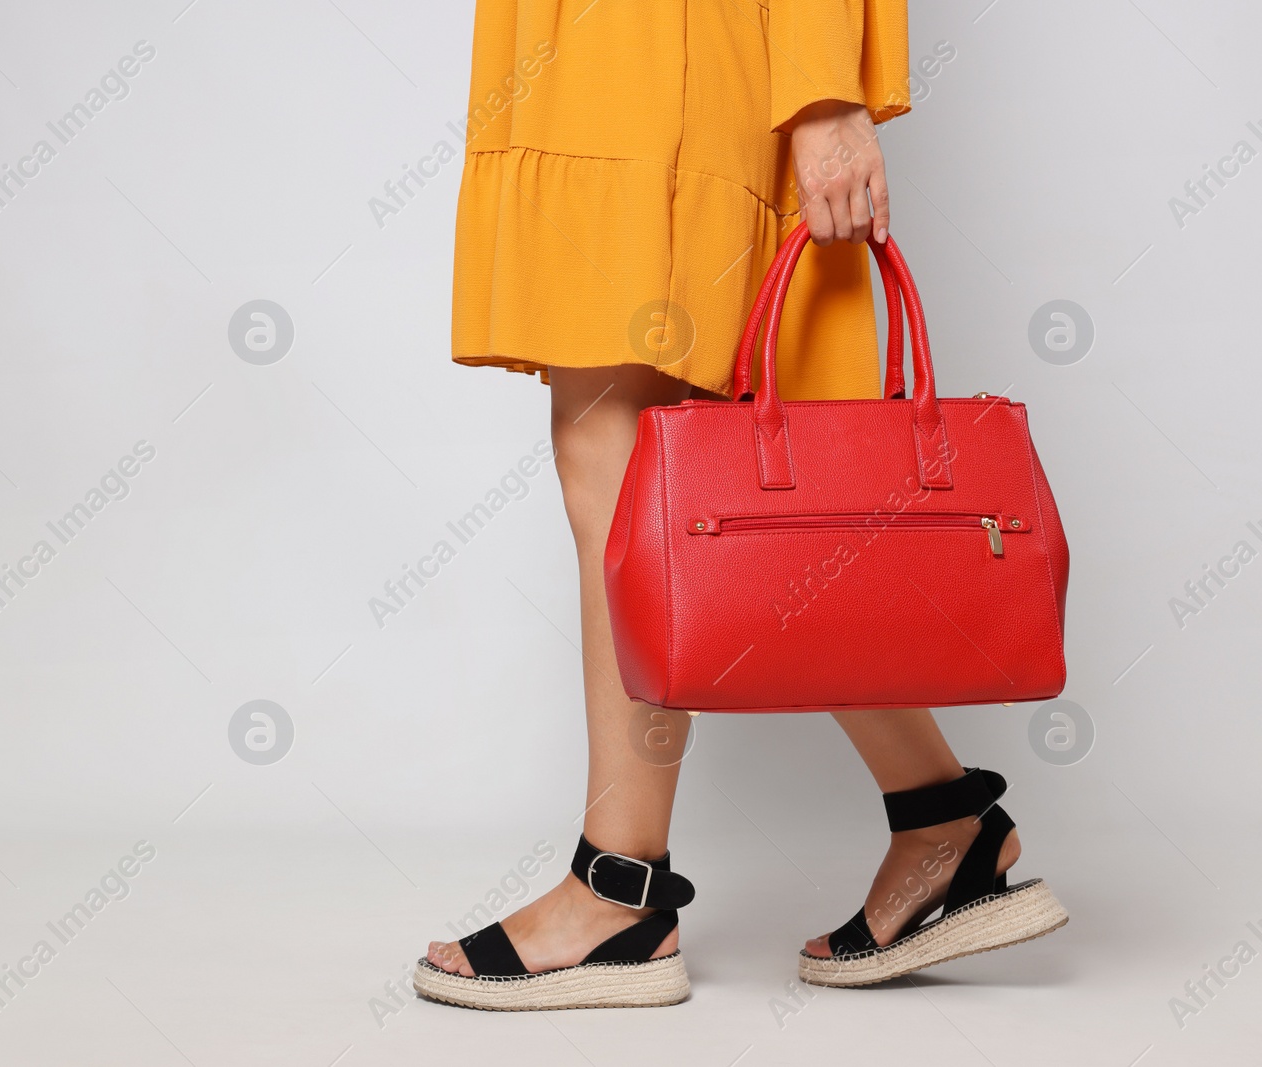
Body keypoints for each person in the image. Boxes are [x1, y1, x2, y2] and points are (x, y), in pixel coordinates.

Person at [413, 1, 1063, 1011]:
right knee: (674, 482)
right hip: (581, 52)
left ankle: (618, 892)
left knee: (650, 470)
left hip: (663, 45)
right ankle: (941, 818)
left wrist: (822, 91)